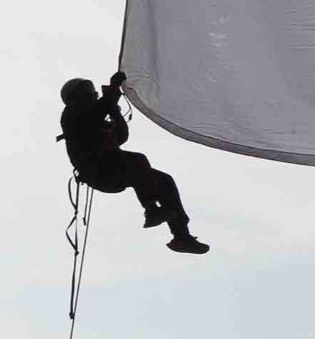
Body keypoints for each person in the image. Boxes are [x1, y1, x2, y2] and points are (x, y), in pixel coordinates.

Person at [59, 70, 208, 254]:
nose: (95, 96)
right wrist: (113, 91)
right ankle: (151, 208)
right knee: (137, 161)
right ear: (79, 96)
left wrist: (116, 115)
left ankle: (181, 235)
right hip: (99, 171)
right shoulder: (72, 114)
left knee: (164, 181)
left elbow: (121, 137)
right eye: (91, 93)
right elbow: (95, 115)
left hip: (111, 168)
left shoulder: (91, 116)